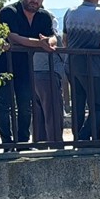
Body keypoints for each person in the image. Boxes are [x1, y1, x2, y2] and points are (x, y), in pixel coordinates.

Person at [0, 0, 56, 151]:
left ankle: (22, 142)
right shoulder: (9, 12)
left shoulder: (44, 16)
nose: (35, 0)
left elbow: (52, 36)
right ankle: (7, 143)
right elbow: (12, 37)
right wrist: (39, 43)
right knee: (4, 105)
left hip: (25, 66)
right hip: (2, 65)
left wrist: (49, 42)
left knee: (25, 105)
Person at [62, 0, 100, 144]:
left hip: (71, 63)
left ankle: (78, 139)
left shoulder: (70, 12)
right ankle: (85, 136)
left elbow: (65, 40)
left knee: (78, 103)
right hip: (92, 65)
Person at [31, 11, 66, 143]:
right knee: (53, 112)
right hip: (49, 75)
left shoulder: (33, 38)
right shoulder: (54, 37)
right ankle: (56, 142)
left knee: (38, 113)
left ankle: (40, 143)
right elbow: (64, 56)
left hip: (34, 74)